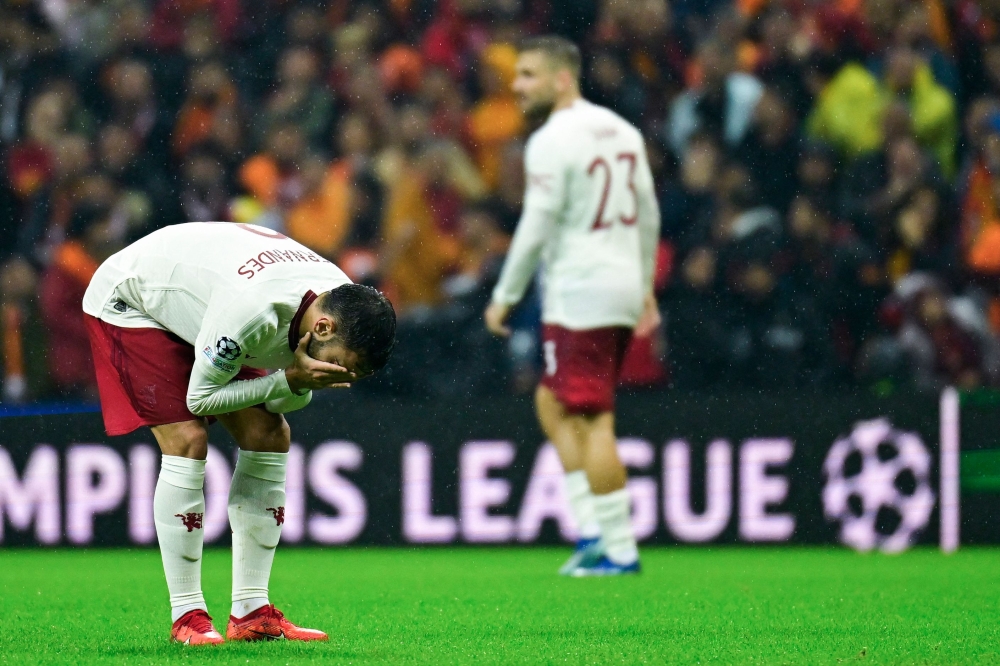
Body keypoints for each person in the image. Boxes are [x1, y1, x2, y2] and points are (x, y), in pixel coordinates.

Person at [81, 221, 396, 644]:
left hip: (205, 306)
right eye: (346, 364)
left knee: (269, 434)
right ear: (321, 329)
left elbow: (287, 397)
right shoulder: (256, 312)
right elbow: (201, 399)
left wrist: (294, 382)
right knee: (187, 439)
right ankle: (187, 617)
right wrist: (288, 380)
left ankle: (251, 612)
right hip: (133, 300)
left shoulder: (338, 304)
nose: (345, 376)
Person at [484, 36, 661, 576]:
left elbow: (536, 225)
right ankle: (591, 530)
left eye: (530, 75)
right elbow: (649, 212)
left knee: (592, 416)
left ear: (564, 78)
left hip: (581, 289)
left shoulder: (552, 140)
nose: (517, 86)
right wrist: (646, 284)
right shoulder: (623, 131)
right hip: (622, 281)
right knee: (552, 400)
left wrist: (504, 297)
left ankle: (619, 549)